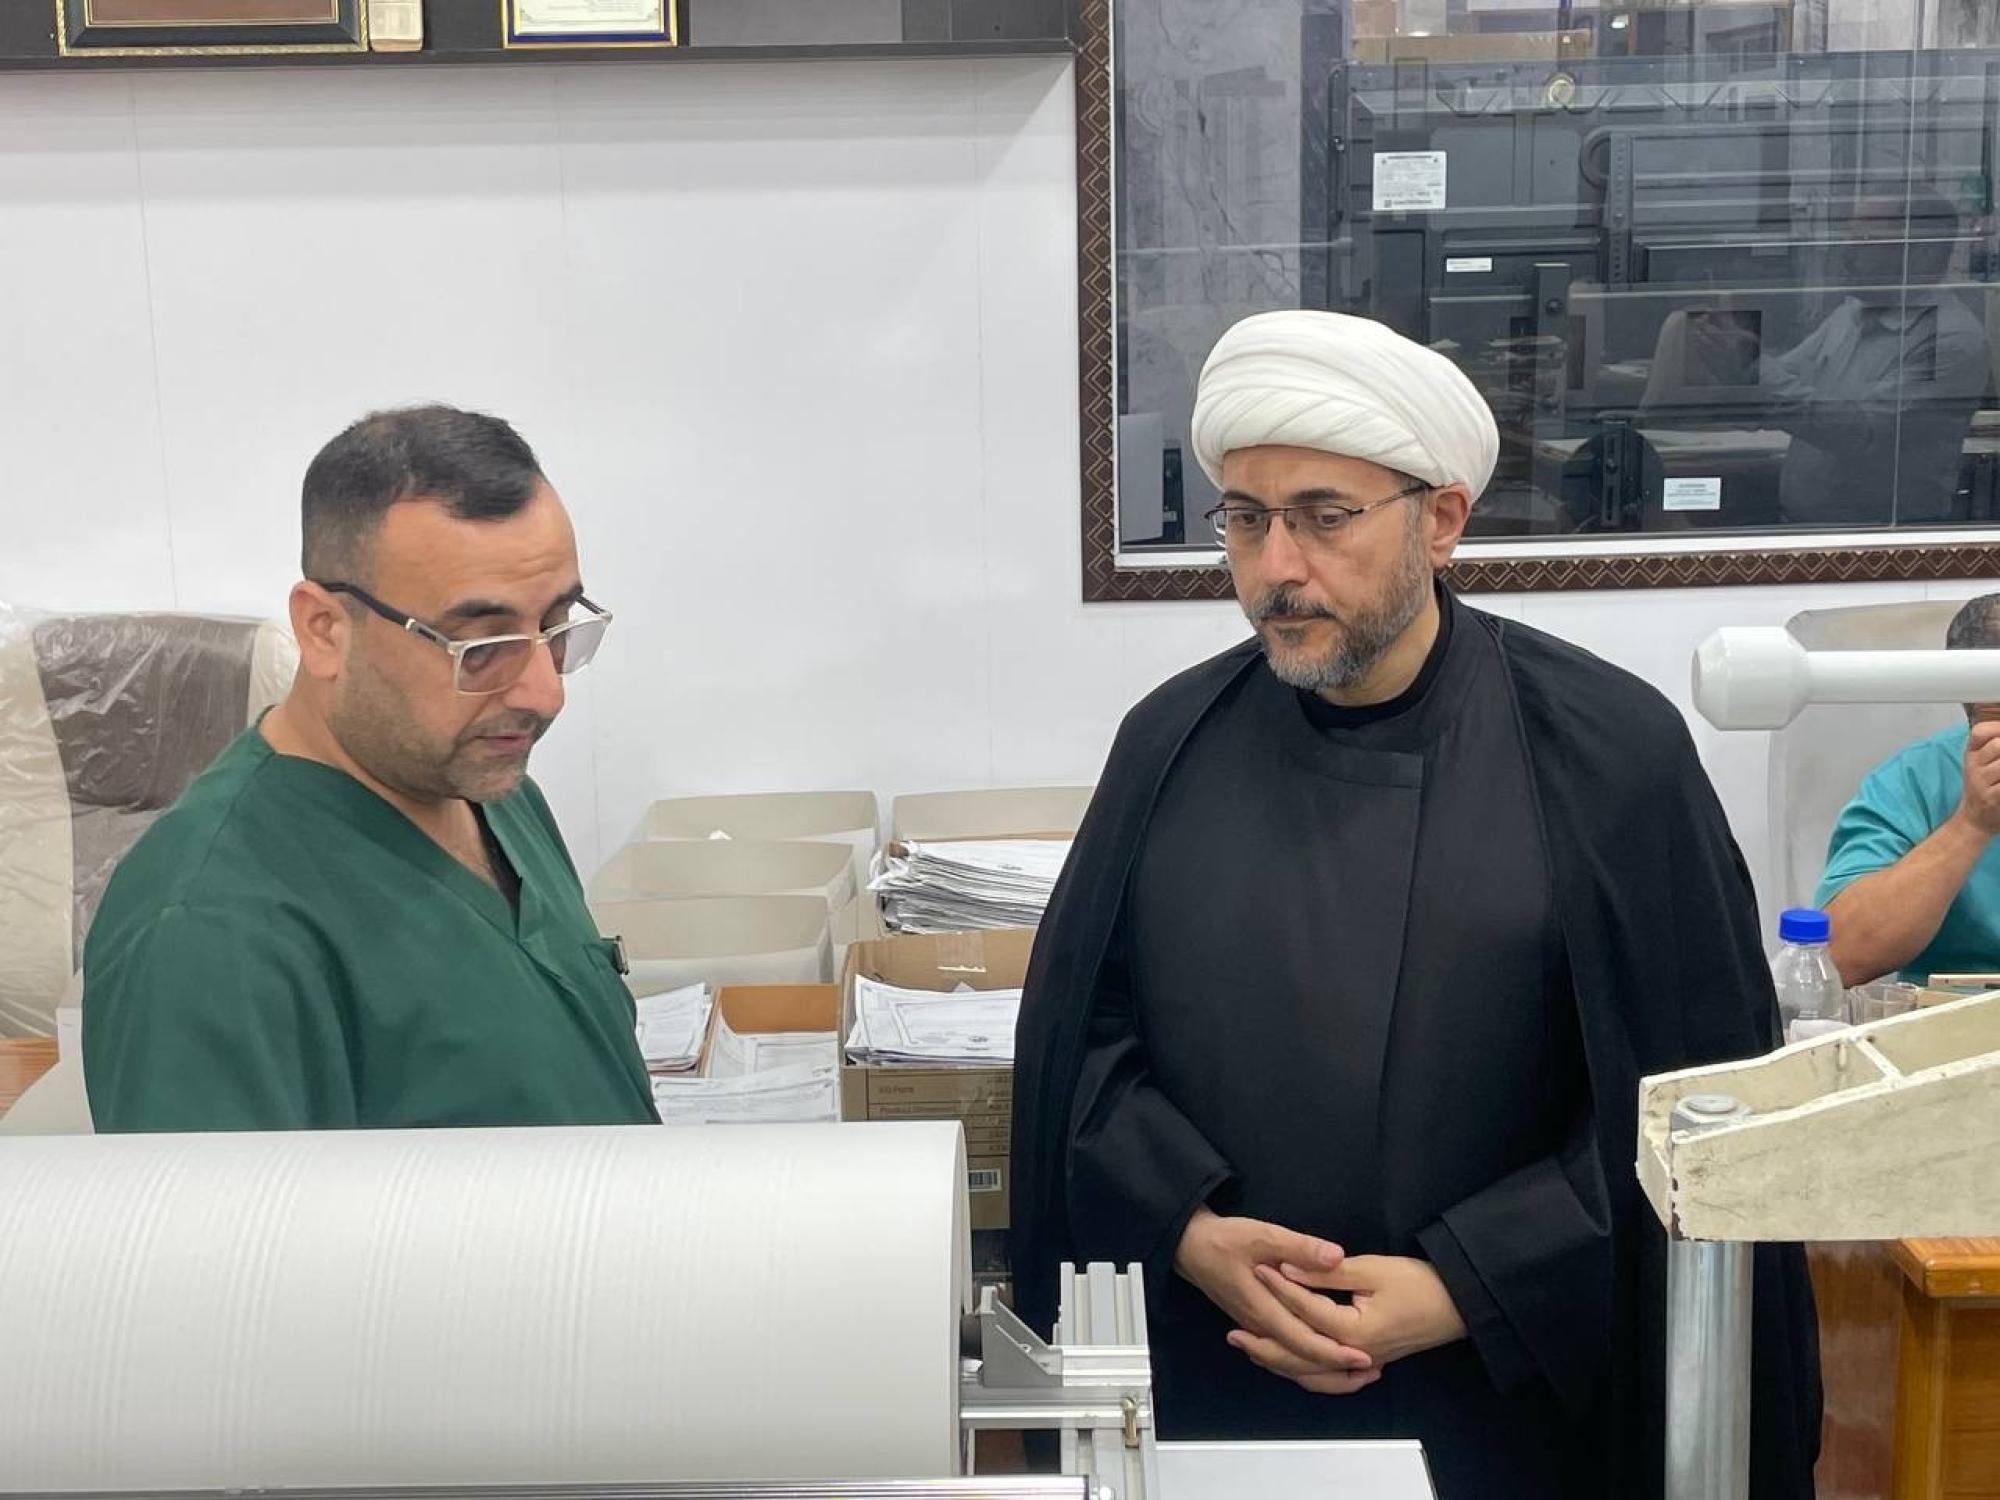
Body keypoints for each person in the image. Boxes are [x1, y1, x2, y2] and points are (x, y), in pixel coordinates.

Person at [1010, 311, 1821, 1498]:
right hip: (1221, 1367)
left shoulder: (1607, 755)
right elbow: (1079, 1052)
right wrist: (1187, 1229)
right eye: (1245, 520)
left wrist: (1469, 1284)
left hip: (1514, 1398)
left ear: (1439, 520)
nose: (1275, 569)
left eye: (1323, 517)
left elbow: (1695, 1107)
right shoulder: (1167, 745)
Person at [84, 405, 658, 1132]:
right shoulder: (208, 935)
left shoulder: (491, 788)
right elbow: (217, 1211)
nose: (546, 693)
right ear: (325, 630)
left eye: (557, 627)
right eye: (481, 649)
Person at [1817, 592, 2000, 986]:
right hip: (1954, 1012)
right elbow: (1841, 955)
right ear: (1971, 707)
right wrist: (1971, 825)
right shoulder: (1915, 779)